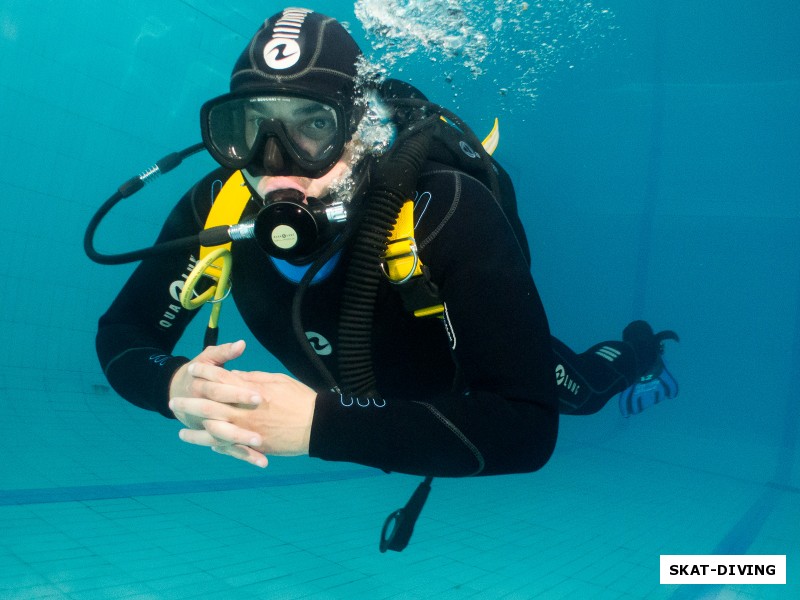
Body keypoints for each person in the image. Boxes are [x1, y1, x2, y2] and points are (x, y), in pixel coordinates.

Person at [96, 8, 678, 483]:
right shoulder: (218, 207)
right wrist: (173, 385)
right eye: (249, 129)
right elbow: (125, 336)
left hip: (459, 372)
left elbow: (526, 431)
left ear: (359, 127)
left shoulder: (443, 212)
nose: (276, 164)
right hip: (374, 403)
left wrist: (318, 427)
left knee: (582, 393)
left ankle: (638, 356)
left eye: (313, 127)